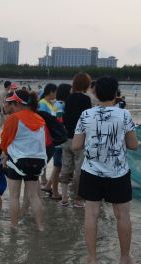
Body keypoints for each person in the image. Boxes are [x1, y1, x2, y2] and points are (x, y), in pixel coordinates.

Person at [72, 76, 138, 264]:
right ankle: (125, 258)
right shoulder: (124, 115)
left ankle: (92, 259)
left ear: (95, 92)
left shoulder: (86, 115)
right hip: (118, 173)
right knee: (122, 216)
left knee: (91, 214)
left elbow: (76, 145)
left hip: (91, 172)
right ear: (116, 94)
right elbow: (133, 145)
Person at [1, 89, 47, 231]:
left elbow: (4, 141)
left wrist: (4, 155)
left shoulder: (14, 119)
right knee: (34, 196)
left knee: (14, 196)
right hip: (37, 162)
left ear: (17, 104)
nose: (12, 107)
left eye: (13, 104)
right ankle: (40, 227)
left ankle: (13, 226)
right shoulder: (40, 119)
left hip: (18, 161)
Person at [60, 73, 93, 208]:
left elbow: (66, 117)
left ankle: (64, 198)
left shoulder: (68, 98)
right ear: (86, 84)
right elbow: (87, 120)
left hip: (66, 137)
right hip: (80, 138)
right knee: (79, 169)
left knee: (66, 167)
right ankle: (78, 199)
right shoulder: (86, 99)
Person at [42, 83, 71, 200]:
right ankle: (54, 192)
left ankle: (50, 187)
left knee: (57, 166)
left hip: (56, 139)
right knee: (57, 166)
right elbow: (59, 121)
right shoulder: (60, 106)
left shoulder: (57, 104)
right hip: (59, 140)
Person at [38, 83, 59, 186]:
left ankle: (42, 176)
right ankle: (42, 177)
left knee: (46, 156)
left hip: (50, 133)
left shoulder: (49, 103)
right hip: (45, 134)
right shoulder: (42, 103)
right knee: (45, 155)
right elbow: (42, 119)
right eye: (55, 92)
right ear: (51, 92)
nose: (56, 94)